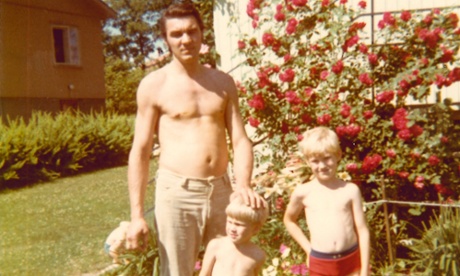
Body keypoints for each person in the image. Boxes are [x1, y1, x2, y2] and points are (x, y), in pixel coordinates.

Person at [125, 2, 265, 276]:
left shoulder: (223, 82)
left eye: (192, 31)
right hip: (177, 193)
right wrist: (137, 215)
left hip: (223, 192)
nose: (186, 39)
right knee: (177, 272)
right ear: (166, 39)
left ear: (202, 33)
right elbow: (140, 152)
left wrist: (244, 184)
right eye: (176, 34)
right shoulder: (154, 85)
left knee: (229, 268)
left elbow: (240, 139)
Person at [283, 127, 370, 276]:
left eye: (327, 158)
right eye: (315, 161)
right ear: (307, 162)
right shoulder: (303, 192)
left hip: (351, 259)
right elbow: (289, 220)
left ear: (338, 155)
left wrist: (365, 270)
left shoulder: (350, 190)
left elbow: (362, 230)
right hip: (321, 263)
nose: (322, 166)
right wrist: (308, 249)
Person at [199, 194, 268, 276]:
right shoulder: (216, 246)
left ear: (256, 228)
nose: (232, 229)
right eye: (229, 222)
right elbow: (204, 274)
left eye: (238, 225)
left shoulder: (257, 255)